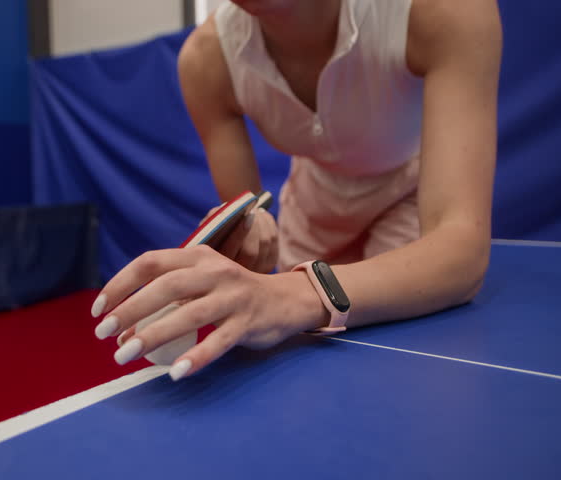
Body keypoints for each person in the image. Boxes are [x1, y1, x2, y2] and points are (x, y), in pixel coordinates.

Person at [91, 0, 503, 381]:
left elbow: (460, 253)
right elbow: (246, 216)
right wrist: (247, 236)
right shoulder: (206, 60)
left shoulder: (440, 10)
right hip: (312, 207)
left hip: (413, 196)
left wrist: (296, 294)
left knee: (400, 368)